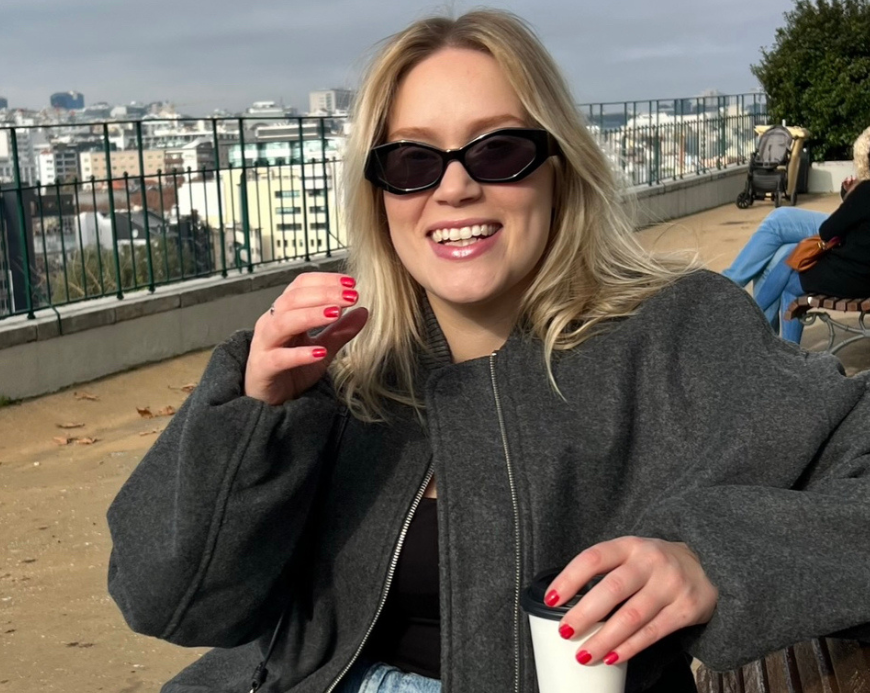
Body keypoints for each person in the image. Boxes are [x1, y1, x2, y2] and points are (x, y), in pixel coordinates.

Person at [106, 10, 870, 693]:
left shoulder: (675, 338)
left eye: (498, 150)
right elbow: (166, 599)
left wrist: (716, 559)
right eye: (412, 162)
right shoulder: (340, 367)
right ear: (378, 196)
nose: (455, 188)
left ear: (557, 169)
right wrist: (255, 414)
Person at [723, 126, 870, 342]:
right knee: (785, 253)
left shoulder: (865, 191)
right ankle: (771, 344)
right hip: (857, 265)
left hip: (852, 271)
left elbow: (832, 229)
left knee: (779, 223)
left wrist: (853, 195)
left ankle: (733, 294)